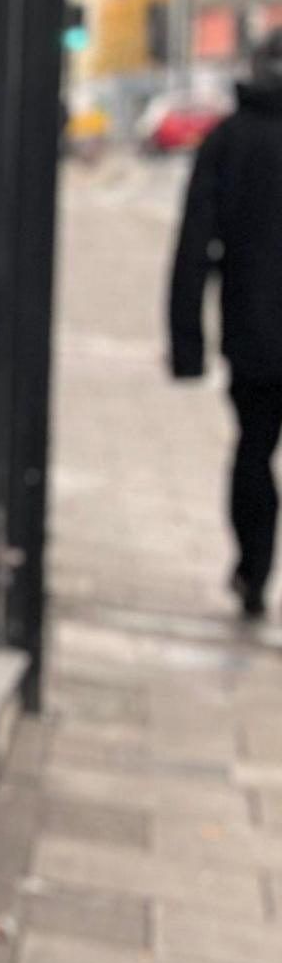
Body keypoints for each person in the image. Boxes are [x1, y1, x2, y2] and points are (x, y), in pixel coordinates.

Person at [168, 32, 282, 620]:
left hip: (255, 337)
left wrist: (188, 344)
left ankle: (254, 570)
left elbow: (192, 247)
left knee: (254, 450)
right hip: (255, 334)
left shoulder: (230, 141)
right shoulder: (228, 139)